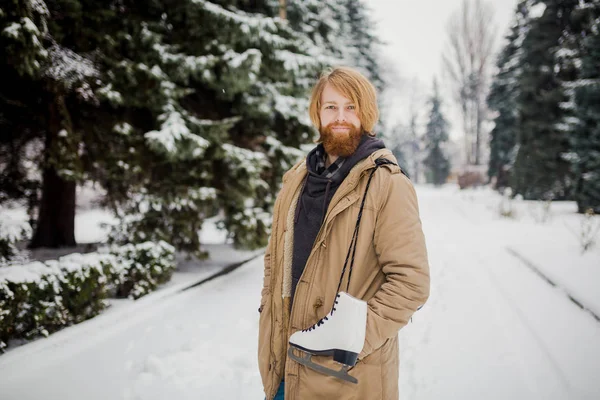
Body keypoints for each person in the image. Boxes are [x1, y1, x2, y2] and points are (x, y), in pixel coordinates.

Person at [258, 66, 430, 400]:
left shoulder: (386, 184)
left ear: (366, 114)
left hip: (348, 378)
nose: (341, 116)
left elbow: (412, 283)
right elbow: (273, 261)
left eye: (351, 107)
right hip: (286, 367)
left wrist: (352, 338)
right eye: (331, 107)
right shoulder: (296, 179)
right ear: (317, 114)